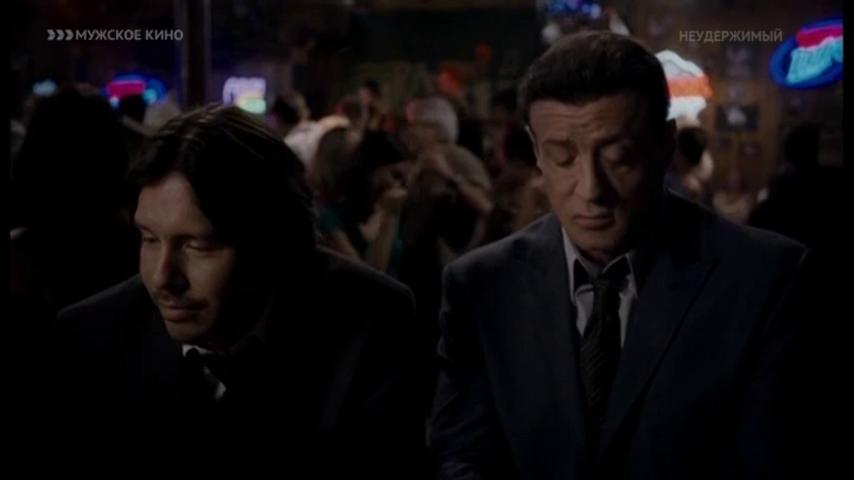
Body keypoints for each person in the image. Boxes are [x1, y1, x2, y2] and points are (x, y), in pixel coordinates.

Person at [431, 31, 810, 480]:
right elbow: (461, 458)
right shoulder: (482, 285)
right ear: (536, 151)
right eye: (563, 157)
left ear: (666, 144)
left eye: (619, 157)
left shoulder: (763, 278)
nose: (591, 190)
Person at [44, 104, 424, 476]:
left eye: (199, 246)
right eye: (149, 239)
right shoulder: (91, 337)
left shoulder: (371, 319)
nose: (162, 278)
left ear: (273, 244)